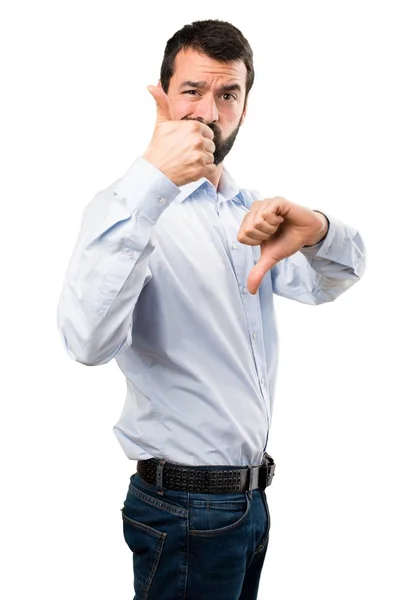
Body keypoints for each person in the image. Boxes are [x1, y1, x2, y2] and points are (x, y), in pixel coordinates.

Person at [57, 18, 366, 600]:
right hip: (181, 509)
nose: (209, 111)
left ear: (245, 107)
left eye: (228, 94)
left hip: (249, 505)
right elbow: (86, 343)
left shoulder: (248, 211)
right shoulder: (124, 208)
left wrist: (319, 228)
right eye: (192, 91)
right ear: (163, 96)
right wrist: (151, 183)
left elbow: (339, 276)